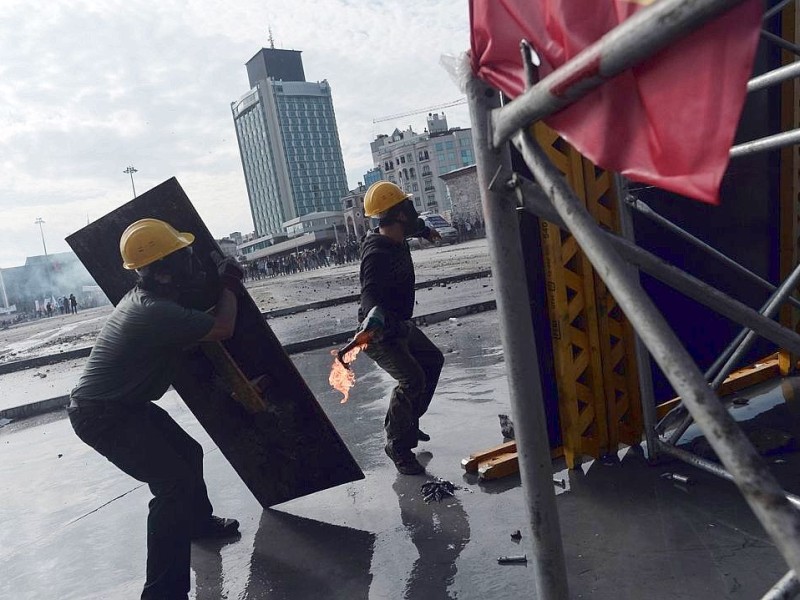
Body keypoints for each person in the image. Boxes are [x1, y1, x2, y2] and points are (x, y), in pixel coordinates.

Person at [67, 218, 244, 600]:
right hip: (102, 415)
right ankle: (162, 593)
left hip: (122, 406)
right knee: (172, 486)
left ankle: (198, 525)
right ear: (165, 273)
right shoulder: (154, 312)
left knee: (188, 453)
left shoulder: (155, 299)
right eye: (184, 256)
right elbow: (223, 327)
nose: (192, 260)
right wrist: (229, 282)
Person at [358, 181, 445, 475]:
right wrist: (372, 316)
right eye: (408, 207)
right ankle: (397, 445)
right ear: (399, 216)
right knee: (412, 380)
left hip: (400, 325)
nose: (413, 210)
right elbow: (368, 292)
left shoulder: (399, 233)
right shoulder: (377, 253)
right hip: (378, 333)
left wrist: (425, 231)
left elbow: (416, 225)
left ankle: (407, 423)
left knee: (432, 360)